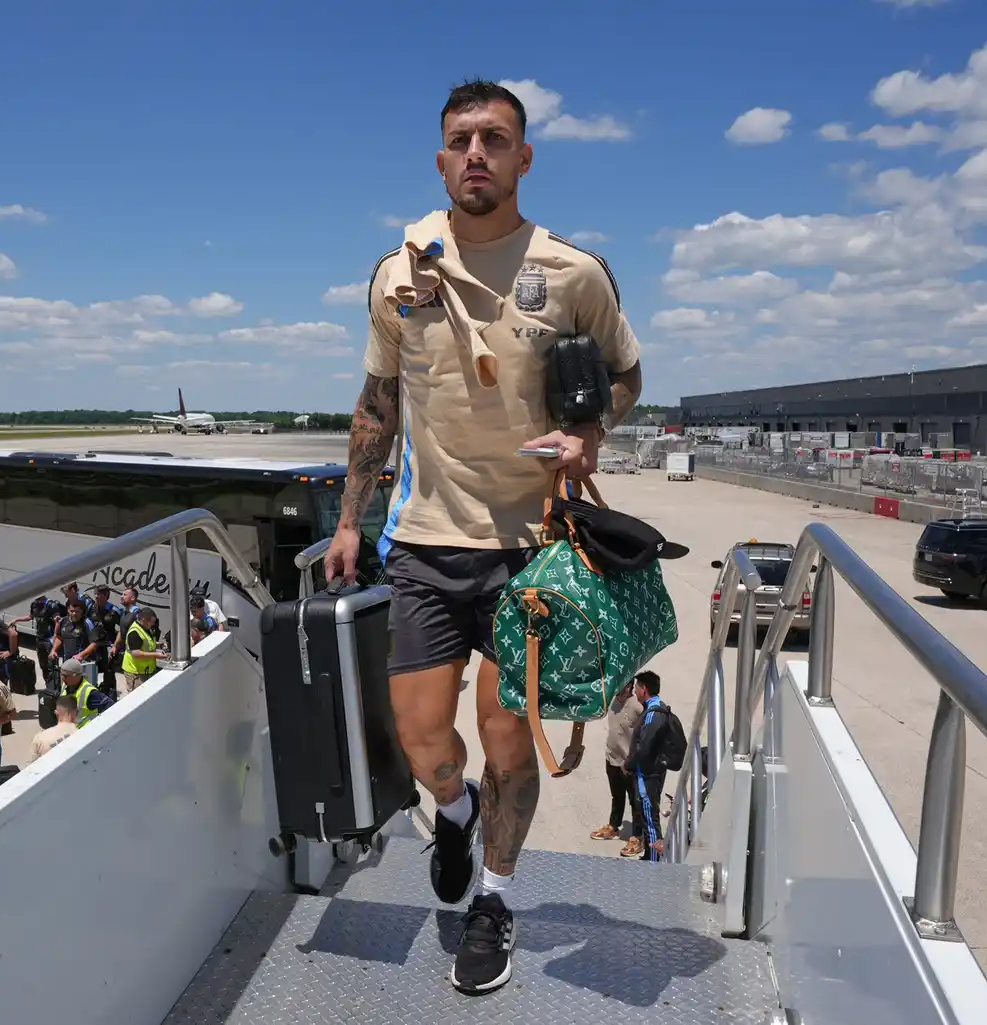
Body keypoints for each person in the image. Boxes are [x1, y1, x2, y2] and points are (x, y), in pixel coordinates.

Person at [322, 79, 643, 995]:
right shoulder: (398, 273)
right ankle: (454, 812)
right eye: (462, 140)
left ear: (523, 158)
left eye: (495, 139)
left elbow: (626, 373)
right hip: (425, 542)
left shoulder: (573, 273)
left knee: (508, 742)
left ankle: (494, 900)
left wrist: (590, 432)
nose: (477, 154)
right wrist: (348, 519)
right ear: (440, 160)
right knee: (425, 740)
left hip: (532, 549)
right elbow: (378, 405)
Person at [590, 677, 648, 859]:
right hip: (612, 758)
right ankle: (613, 827)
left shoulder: (637, 707)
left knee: (635, 801)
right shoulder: (614, 701)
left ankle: (638, 837)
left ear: (630, 686)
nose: (617, 688)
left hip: (629, 764)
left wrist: (634, 759)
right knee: (617, 796)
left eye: (621, 684)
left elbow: (645, 736)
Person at [622, 671, 669, 863]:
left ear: (644, 689)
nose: (635, 691)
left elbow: (644, 747)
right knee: (648, 816)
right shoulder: (654, 709)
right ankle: (650, 855)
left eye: (637, 687)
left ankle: (654, 862)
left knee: (650, 818)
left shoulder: (653, 714)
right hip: (649, 773)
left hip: (648, 776)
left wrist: (629, 764)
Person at [118, 605, 162, 695]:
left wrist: (158, 645)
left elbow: (146, 642)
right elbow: (136, 653)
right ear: (144, 620)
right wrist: (156, 655)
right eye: (151, 622)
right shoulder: (134, 632)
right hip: (135, 673)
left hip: (146, 671)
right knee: (137, 697)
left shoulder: (146, 628)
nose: (153, 624)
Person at [58, 657, 112, 727]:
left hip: (84, 732)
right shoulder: (66, 684)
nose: (62, 678)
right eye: (61, 674)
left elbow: (111, 706)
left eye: (65, 676)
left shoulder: (89, 692)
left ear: (75, 675)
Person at [30, 695, 80, 760]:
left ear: (56, 713)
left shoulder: (39, 738)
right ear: (77, 712)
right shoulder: (83, 735)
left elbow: (32, 764)